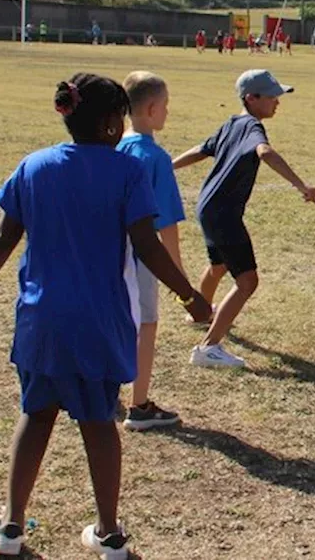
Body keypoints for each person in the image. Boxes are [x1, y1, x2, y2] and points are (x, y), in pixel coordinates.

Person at [0, 74, 210, 559]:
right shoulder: (126, 173)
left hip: (43, 319)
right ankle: (110, 534)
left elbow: (3, 234)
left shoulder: (34, 166)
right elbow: (146, 246)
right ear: (112, 122)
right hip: (99, 321)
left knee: (36, 416)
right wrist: (188, 295)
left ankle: (10, 528)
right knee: (98, 422)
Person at [172, 69, 315, 369]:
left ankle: (198, 313)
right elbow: (264, 152)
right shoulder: (253, 127)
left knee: (218, 266)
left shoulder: (231, 123)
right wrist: (301, 185)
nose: (278, 102)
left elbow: (202, 150)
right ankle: (209, 348)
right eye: (272, 96)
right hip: (224, 213)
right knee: (248, 281)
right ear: (251, 99)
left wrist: (167, 166)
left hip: (208, 206)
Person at [116, 72, 189, 432]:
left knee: (116, 318)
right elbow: (167, 224)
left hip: (110, 250)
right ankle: (140, 404)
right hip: (140, 254)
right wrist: (178, 275)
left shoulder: (114, 146)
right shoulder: (155, 157)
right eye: (165, 106)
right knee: (146, 323)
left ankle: (106, 389)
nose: (167, 112)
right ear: (150, 108)